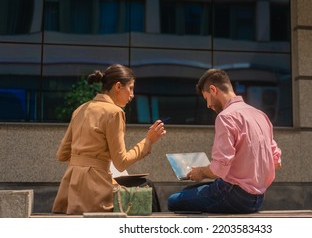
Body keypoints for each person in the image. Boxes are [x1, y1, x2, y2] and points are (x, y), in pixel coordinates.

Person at [52, 64, 166, 215]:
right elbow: (121, 162)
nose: (132, 94)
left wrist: (87, 161)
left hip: (70, 188)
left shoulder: (80, 109)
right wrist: (148, 141)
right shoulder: (114, 112)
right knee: (146, 188)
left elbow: (62, 155)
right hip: (96, 189)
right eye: (130, 88)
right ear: (118, 86)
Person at [167, 68, 281, 213]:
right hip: (258, 199)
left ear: (213, 90)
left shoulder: (226, 117)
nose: (208, 105)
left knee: (174, 200)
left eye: (206, 98)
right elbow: (277, 162)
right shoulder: (260, 115)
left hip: (235, 196)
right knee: (189, 192)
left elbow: (219, 168)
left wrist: (201, 172)